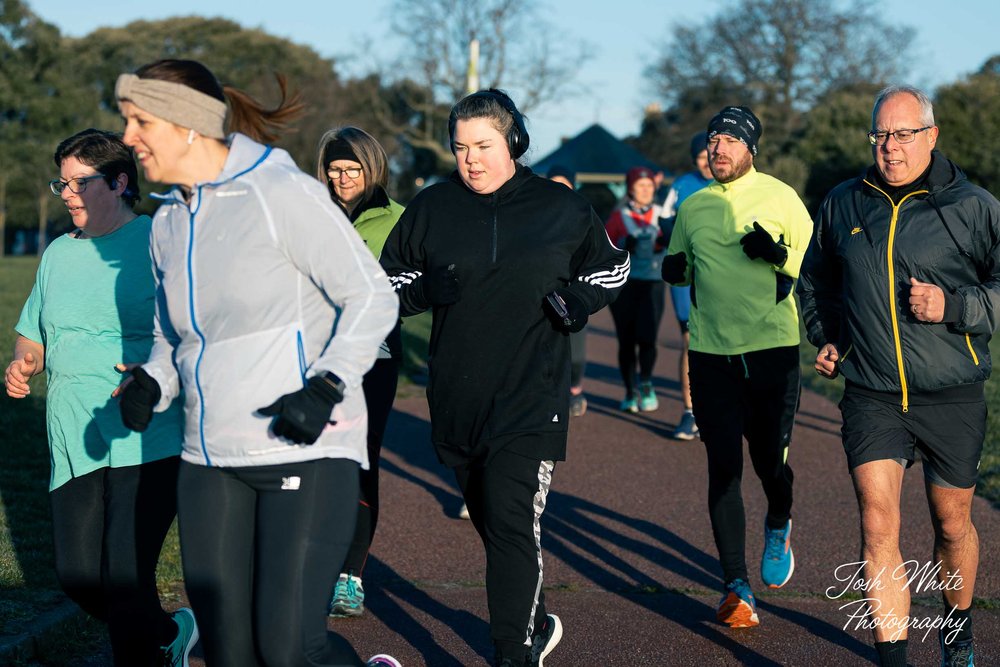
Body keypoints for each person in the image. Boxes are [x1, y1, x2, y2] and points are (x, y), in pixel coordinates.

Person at [114, 59, 401, 667]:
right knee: (231, 652)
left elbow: (373, 295)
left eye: (140, 121)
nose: (128, 139)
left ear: (188, 124)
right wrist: (154, 379)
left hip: (306, 448)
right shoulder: (168, 220)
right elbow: (176, 332)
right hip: (210, 456)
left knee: (288, 648)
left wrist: (325, 386)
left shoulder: (280, 192)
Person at [380, 88, 628, 667]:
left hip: (531, 398)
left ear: (513, 140)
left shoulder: (560, 208)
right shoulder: (432, 207)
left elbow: (613, 268)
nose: (471, 159)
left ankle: (510, 653)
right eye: (461, 148)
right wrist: (420, 291)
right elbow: (381, 283)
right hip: (458, 398)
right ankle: (534, 621)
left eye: (484, 145)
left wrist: (579, 300)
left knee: (514, 526)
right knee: (495, 527)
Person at [798, 85, 1000, 667]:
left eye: (903, 134)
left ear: (931, 137)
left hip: (951, 394)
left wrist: (955, 306)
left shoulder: (973, 207)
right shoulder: (843, 202)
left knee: (952, 523)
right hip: (872, 393)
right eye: (881, 135)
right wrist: (829, 334)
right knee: (877, 520)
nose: (890, 147)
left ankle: (956, 628)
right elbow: (816, 281)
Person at [4, 129, 195, 666]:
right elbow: (31, 330)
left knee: (123, 578)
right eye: (61, 183)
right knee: (79, 578)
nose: (65, 193)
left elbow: (196, 332)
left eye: (78, 183)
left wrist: (153, 370)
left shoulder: (161, 243)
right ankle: (167, 632)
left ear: (118, 182)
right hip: (74, 436)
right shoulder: (58, 254)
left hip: (147, 435)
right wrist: (25, 360)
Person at [662, 106, 811, 628]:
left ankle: (779, 520)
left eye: (730, 139)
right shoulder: (693, 206)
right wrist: (671, 268)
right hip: (710, 354)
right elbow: (677, 266)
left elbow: (811, 266)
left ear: (751, 148)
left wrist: (777, 254)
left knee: (770, 461)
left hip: (771, 349)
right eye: (712, 139)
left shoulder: (782, 197)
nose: (718, 147)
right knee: (723, 466)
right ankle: (736, 586)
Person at [316, 126, 404, 619]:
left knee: (358, 463)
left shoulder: (400, 220)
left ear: (372, 169)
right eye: (334, 169)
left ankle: (349, 577)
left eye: (352, 169)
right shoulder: (311, 213)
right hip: (309, 358)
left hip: (375, 361)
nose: (342, 178)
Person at [659, 131, 713, 440]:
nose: (707, 164)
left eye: (710, 156)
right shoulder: (681, 186)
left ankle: (723, 407)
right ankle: (690, 412)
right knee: (690, 338)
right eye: (700, 159)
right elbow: (663, 220)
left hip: (723, 276)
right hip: (686, 275)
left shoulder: (732, 185)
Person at [605, 166, 667, 413]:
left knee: (648, 338)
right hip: (625, 285)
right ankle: (630, 391)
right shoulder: (619, 216)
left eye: (649, 186)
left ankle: (647, 382)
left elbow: (680, 240)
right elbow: (605, 247)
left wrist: (667, 241)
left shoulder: (663, 214)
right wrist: (622, 244)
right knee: (626, 340)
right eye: (640, 186)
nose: (645, 190)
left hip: (653, 283)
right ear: (630, 189)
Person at [547, 165, 589, 417]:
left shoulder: (583, 216)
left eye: (564, 184)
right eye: (553, 184)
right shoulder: (534, 216)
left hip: (573, 293)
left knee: (575, 353)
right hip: (542, 292)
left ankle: (575, 388)